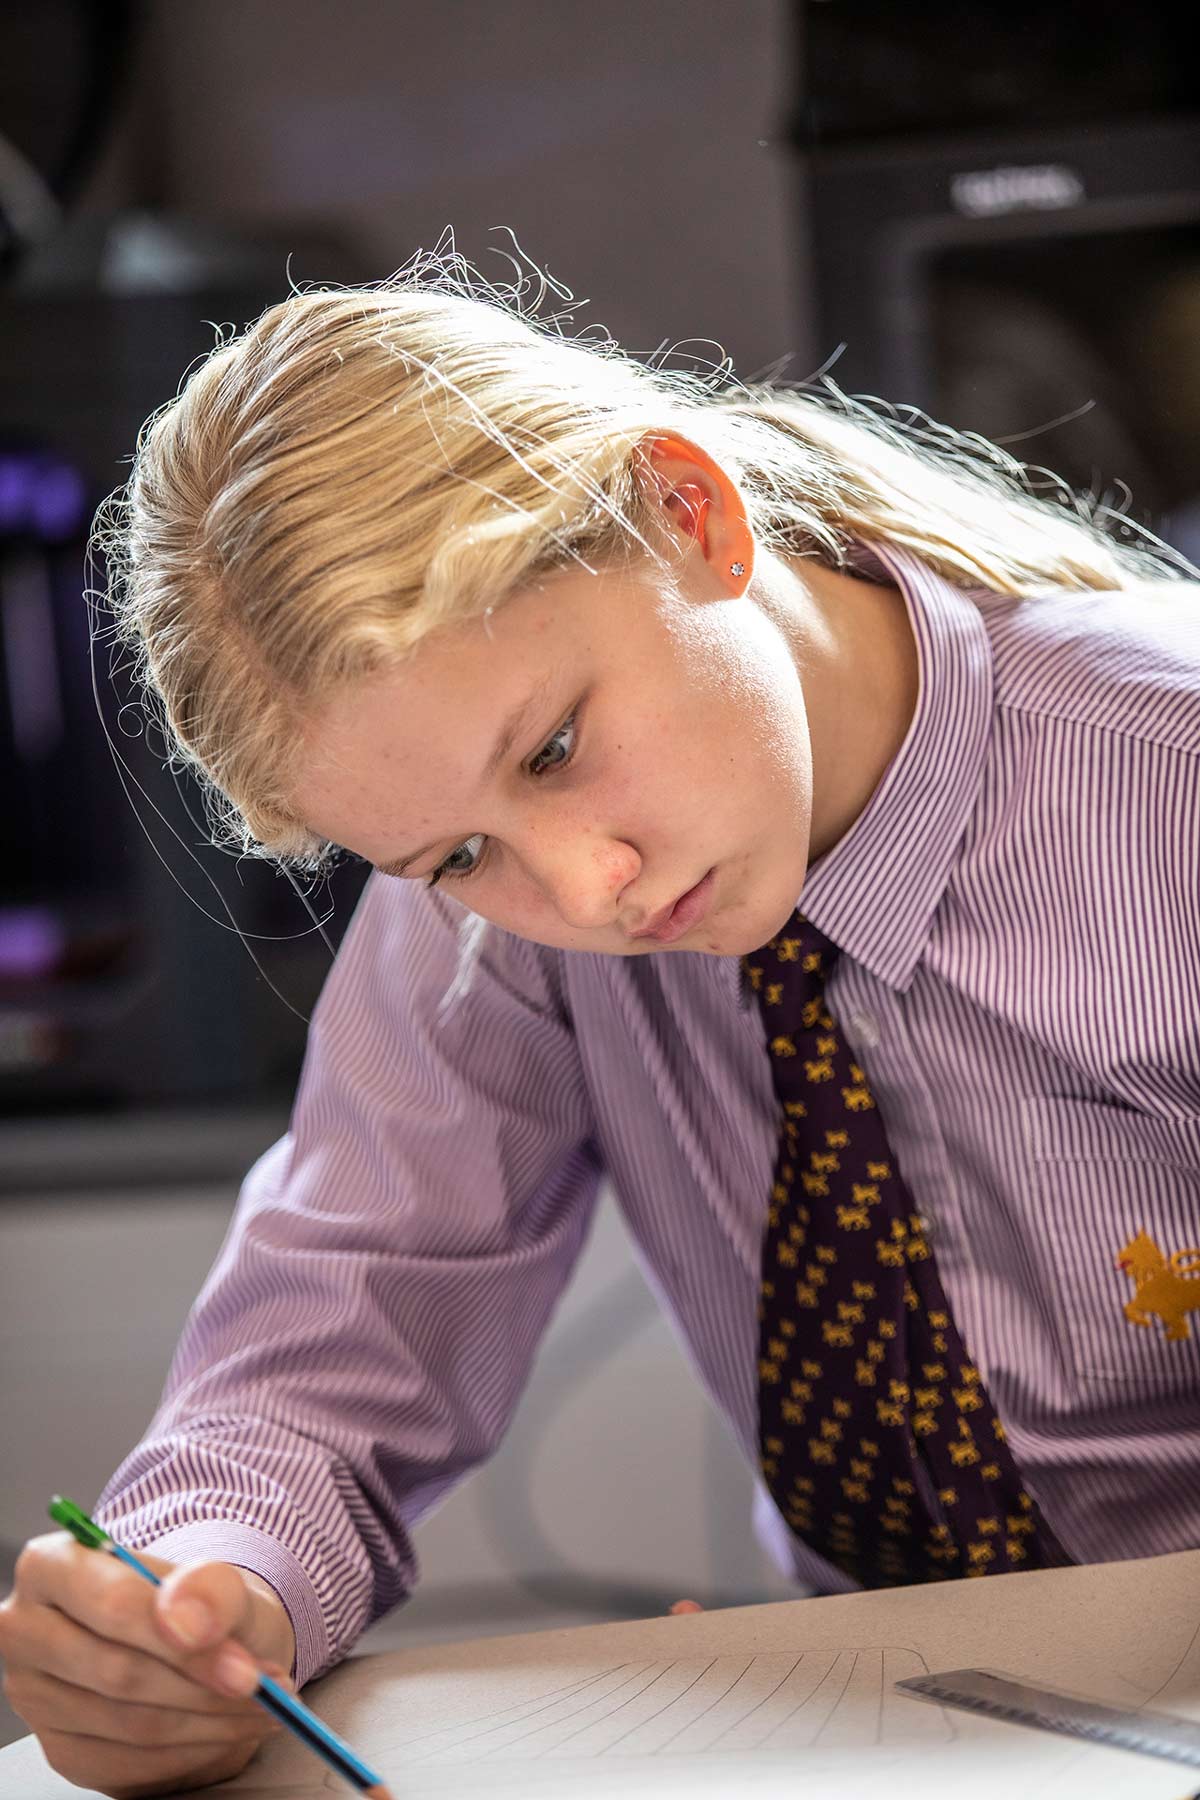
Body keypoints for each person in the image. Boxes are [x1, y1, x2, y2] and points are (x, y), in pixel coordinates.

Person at [2, 247, 1198, 1799]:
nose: (586, 890)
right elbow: (337, 1330)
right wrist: (199, 1599)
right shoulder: (481, 907)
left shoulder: (1165, 778)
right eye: (452, 857)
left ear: (691, 515)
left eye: (558, 748)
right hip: (905, 1732)